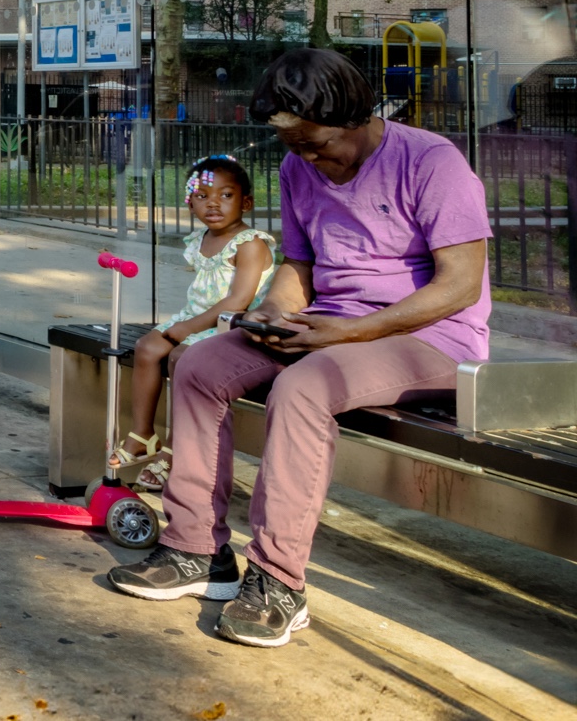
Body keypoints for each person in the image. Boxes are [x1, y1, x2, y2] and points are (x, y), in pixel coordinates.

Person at [109, 49, 492, 649]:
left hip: (430, 338)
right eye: (295, 147)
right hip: (329, 325)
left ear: (359, 117)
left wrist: (342, 334)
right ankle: (195, 550)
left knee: (305, 386)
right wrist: (268, 312)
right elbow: (300, 267)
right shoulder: (296, 168)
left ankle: (279, 580)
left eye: (317, 145)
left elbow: (461, 285)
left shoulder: (432, 161)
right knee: (202, 363)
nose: (309, 160)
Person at [110, 155, 275, 490]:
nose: (213, 203)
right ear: (190, 204)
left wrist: (188, 329)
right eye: (202, 197)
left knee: (179, 356)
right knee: (146, 348)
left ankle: (173, 448)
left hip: (234, 325)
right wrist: (186, 324)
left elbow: (237, 301)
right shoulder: (202, 239)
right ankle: (142, 434)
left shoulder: (250, 244)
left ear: (246, 202)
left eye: (226, 195)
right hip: (197, 319)